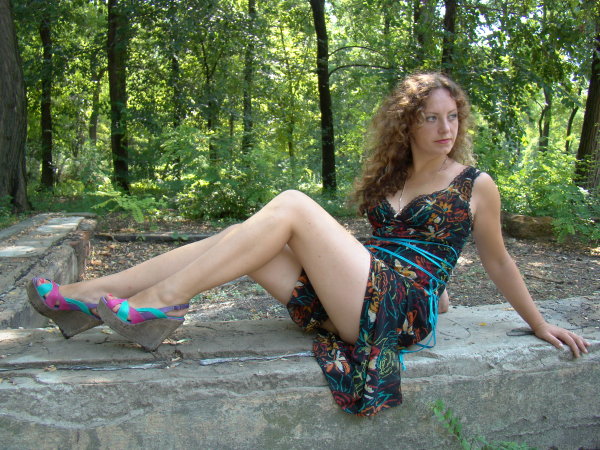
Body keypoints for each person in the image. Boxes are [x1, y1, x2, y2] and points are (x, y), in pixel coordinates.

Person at [27, 72, 589, 417]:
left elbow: (497, 260)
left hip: (396, 312)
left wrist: (539, 324)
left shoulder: (474, 184)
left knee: (293, 205)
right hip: (363, 297)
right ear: (407, 125)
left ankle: (159, 304)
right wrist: (440, 290)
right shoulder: (390, 180)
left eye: (452, 117)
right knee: (237, 239)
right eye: (430, 118)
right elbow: (388, 250)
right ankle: (83, 297)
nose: (446, 129)